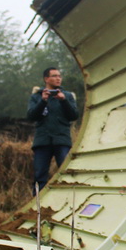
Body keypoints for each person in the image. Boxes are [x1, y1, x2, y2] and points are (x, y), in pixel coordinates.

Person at [27, 67, 79, 195]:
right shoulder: (37, 96)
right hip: (42, 140)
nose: (58, 78)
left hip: (62, 139)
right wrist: (42, 101)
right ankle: (38, 205)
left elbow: (74, 116)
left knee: (66, 172)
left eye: (59, 76)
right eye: (54, 76)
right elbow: (31, 116)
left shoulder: (67, 96)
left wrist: (64, 101)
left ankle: (68, 200)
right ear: (46, 79)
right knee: (40, 175)